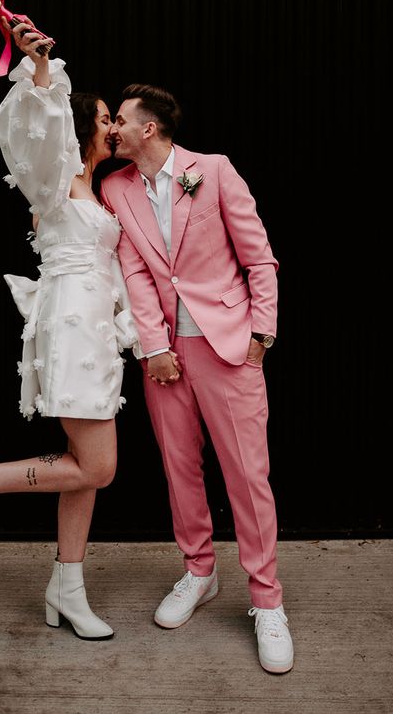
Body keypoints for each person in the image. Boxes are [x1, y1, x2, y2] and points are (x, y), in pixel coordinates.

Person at [0, 21, 142, 641]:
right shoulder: (57, 178)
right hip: (71, 324)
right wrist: (43, 71)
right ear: (81, 127)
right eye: (104, 118)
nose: (113, 126)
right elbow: (36, 134)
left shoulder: (98, 192)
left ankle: (66, 590)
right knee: (99, 467)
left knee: (83, 464)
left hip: (96, 328)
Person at [100, 84, 294, 674]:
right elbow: (133, 270)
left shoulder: (212, 170)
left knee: (247, 473)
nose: (112, 131)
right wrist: (155, 345)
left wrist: (261, 337)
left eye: (121, 122)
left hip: (230, 345)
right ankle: (199, 571)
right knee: (179, 464)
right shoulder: (115, 188)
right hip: (164, 354)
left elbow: (259, 257)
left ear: (150, 129)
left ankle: (267, 601)